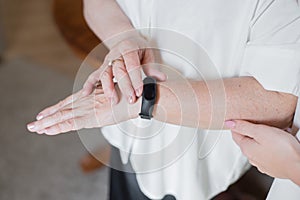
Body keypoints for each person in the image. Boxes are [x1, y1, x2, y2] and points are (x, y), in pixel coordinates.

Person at [27, 0, 300, 199]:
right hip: (125, 126)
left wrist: (143, 102)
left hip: (201, 147)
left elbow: (277, 101)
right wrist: (124, 37)